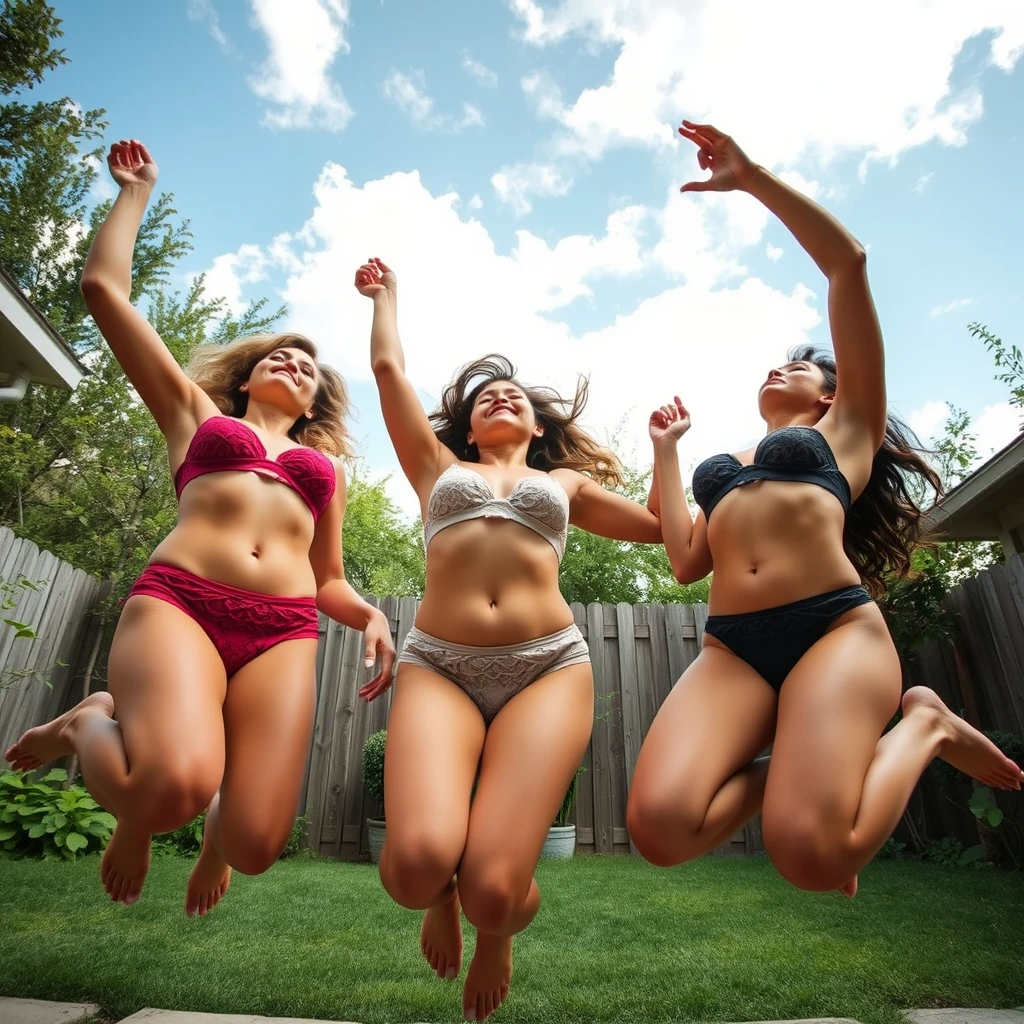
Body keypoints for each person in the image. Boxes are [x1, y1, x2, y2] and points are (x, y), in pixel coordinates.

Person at [627, 121, 1024, 896]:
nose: (786, 365)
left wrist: (753, 179)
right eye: (780, 361)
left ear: (833, 394)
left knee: (813, 858)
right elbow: (684, 561)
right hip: (732, 647)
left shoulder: (847, 434)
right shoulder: (731, 465)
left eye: (804, 366)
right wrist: (668, 454)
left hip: (833, 629)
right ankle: (802, 768)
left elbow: (848, 265)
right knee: (660, 830)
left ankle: (925, 723)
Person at [5, 139, 395, 916]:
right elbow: (104, 290)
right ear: (248, 374)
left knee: (254, 843)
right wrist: (136, 193)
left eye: (309, 368)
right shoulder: (197, 416)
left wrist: (371, 613)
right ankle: (88, 724)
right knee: (172, 789)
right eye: (280, 357)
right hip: (181, 602)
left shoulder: (327, 473)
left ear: (315, 401)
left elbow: (327, 582)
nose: (295, 365)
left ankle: (208, 841)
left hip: (282, 630)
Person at [355, 257, 664, 1022]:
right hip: (440, 665)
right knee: (412, 872)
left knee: (498, 893)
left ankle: (494, 930)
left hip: (548, 668)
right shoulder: (436, 467)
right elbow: (389, 368)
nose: (502, 396)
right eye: (489, 395)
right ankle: (440, 896)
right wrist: (387, 296)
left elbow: (664, 531)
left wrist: (667, 451)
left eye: (517, 397)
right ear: (466, 422)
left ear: (535, 424)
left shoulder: (566, 486)